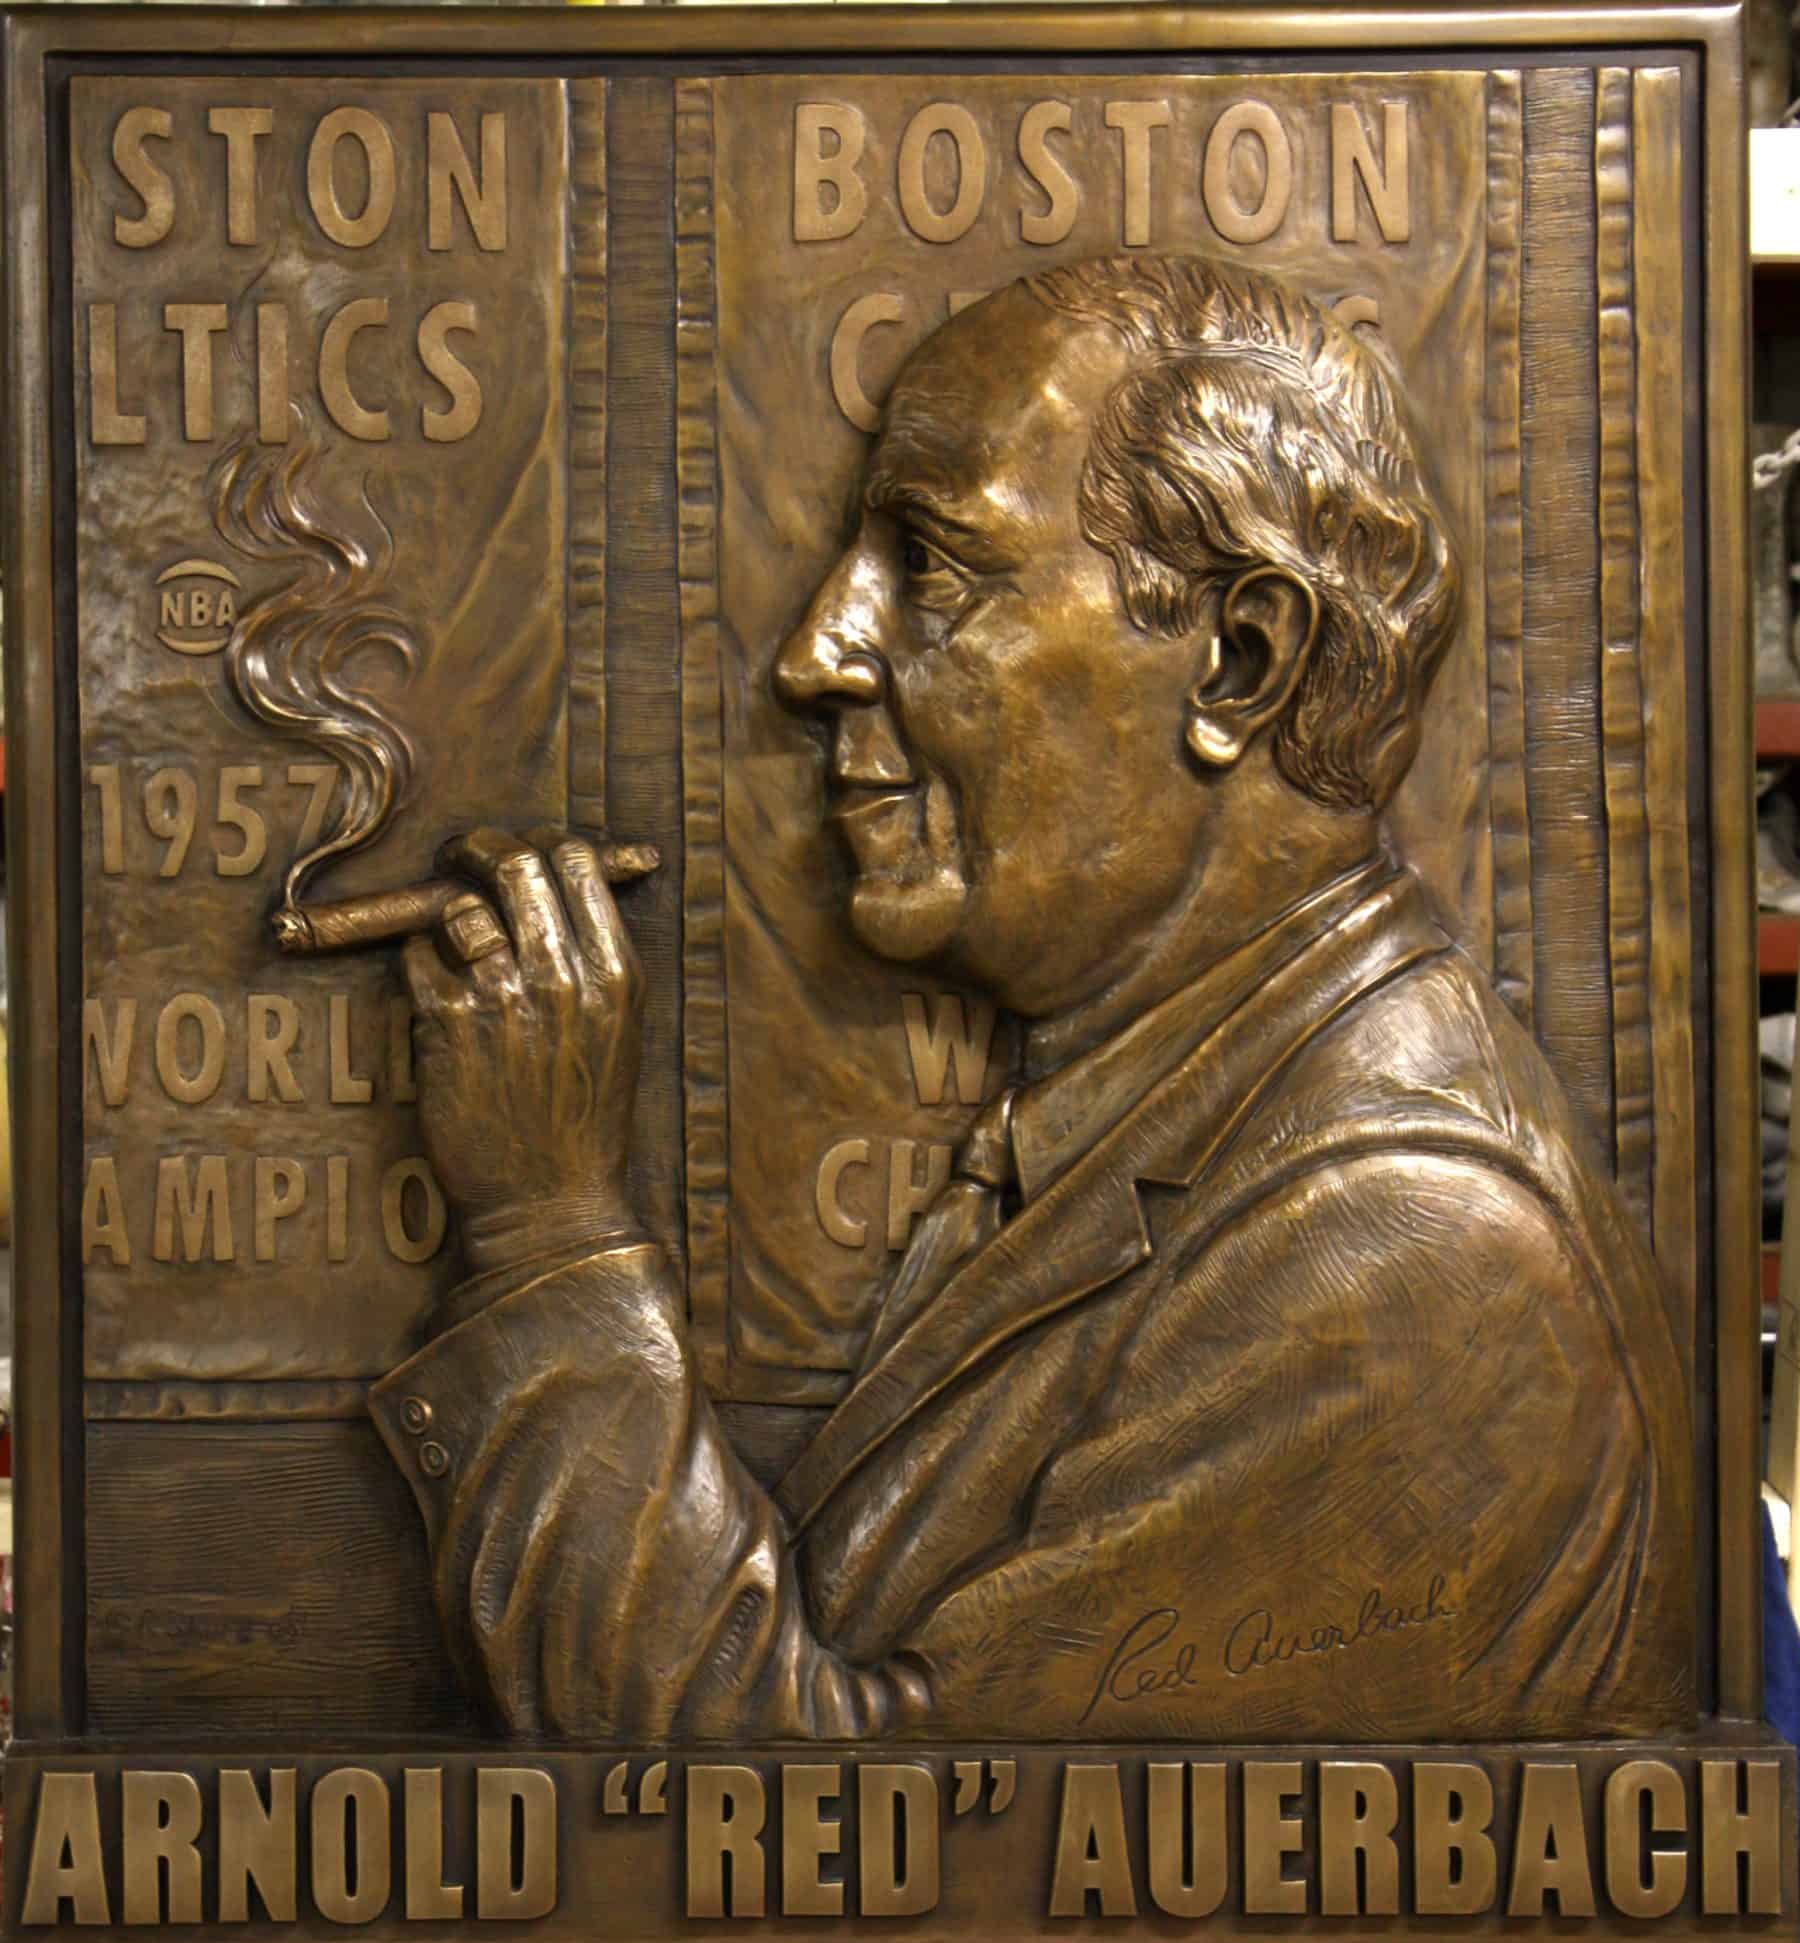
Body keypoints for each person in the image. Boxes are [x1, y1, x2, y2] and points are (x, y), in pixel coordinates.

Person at [372, 252, 1692, 1744]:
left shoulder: (1413, 1256)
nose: (816, 652)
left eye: (933, 567)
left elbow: (811, 1834)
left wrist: (548, 1235)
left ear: (1239, 662)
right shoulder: (1182, 1112)